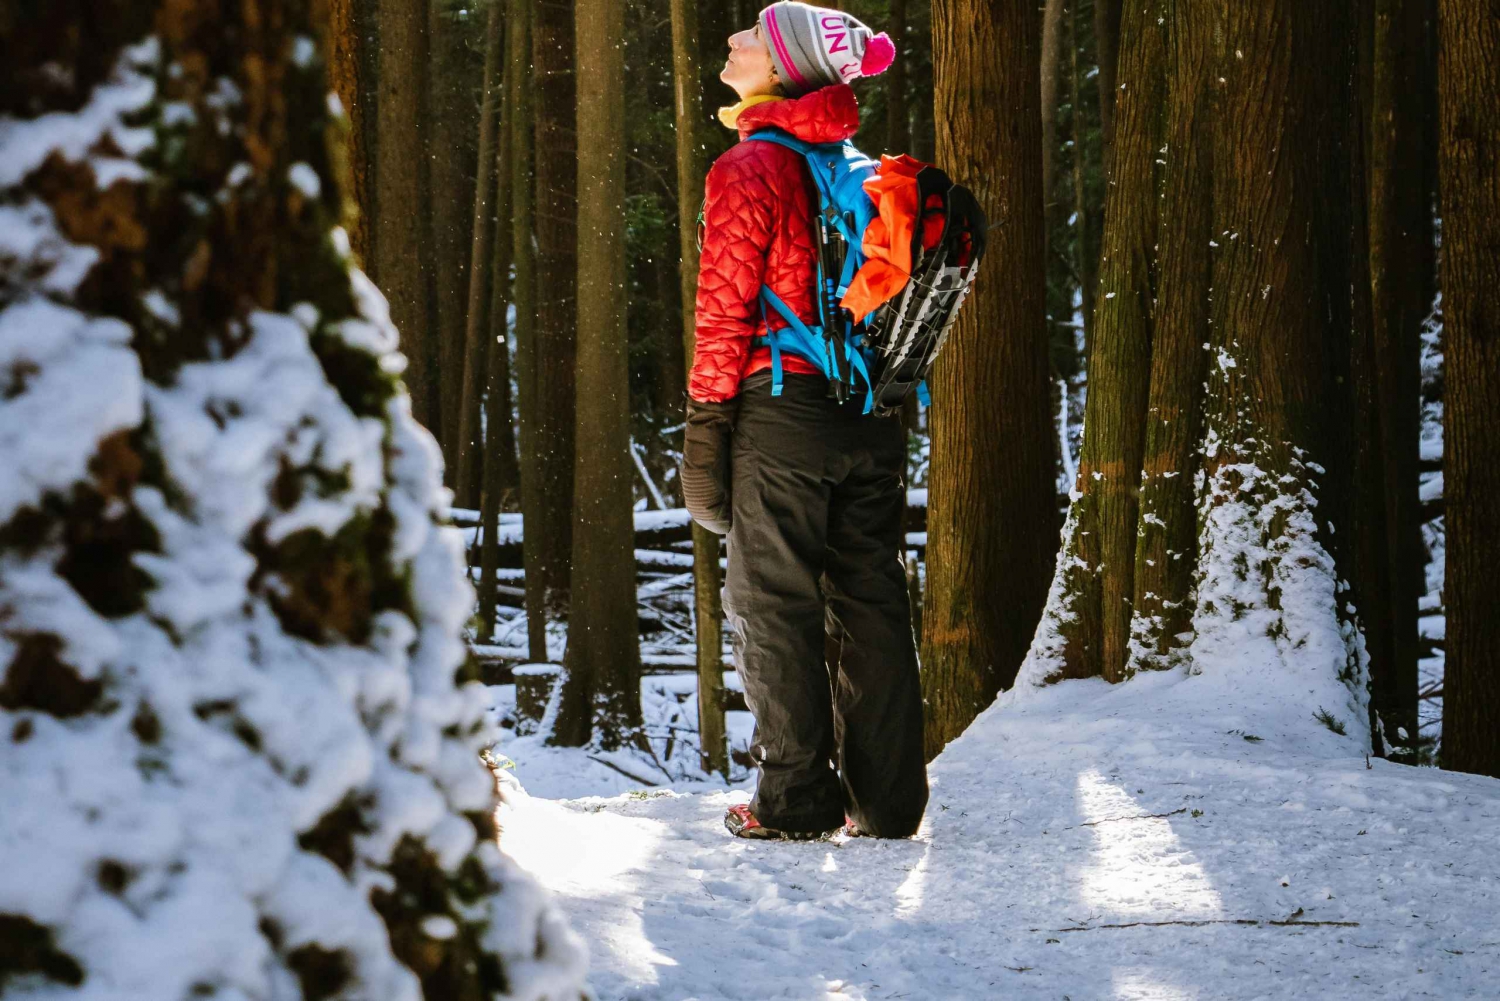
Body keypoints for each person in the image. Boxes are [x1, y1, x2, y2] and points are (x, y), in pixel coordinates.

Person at [681, 2, 927, 841]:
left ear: (783, 72)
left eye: (750, 36)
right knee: (871, 599)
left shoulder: (751, 168)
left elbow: (724, 311)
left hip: (782, 413)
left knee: (773, 602)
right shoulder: (858, 167)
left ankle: (793, 797)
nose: (733, 41)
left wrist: (706, 420)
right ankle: (890, 802)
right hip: (871, 413)